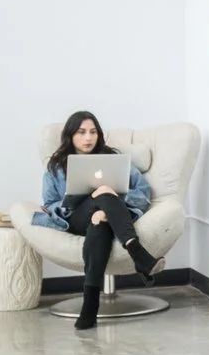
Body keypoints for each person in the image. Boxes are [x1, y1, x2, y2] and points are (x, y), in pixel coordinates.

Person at [36, 109, 156, 330]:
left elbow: (143, 191)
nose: (88, 138)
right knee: (102, 193)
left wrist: (109, 204)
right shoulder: (56, 167)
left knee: (99, 223)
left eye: (93, 132)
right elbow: (49, 203)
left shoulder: (113, 159)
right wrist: (84, 198)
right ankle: (137, 250)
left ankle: (89, 306)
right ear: (71, 136)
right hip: (75, 218)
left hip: (107, 219)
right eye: (81, 132)